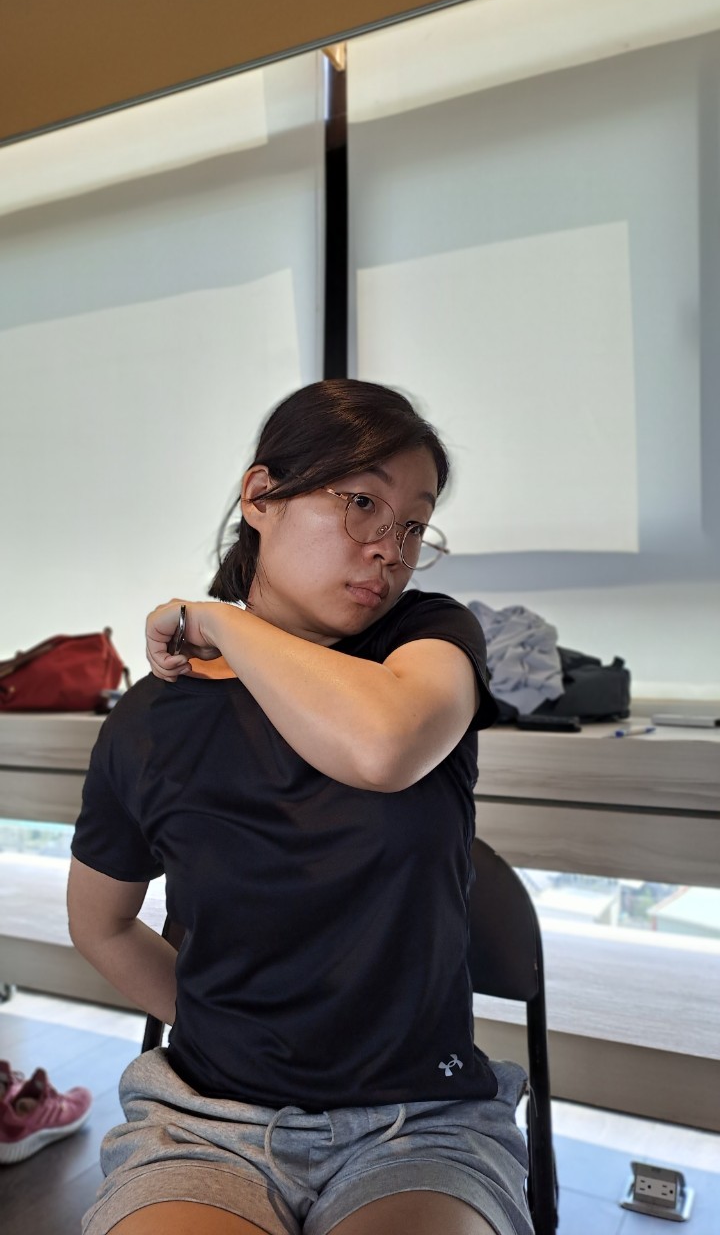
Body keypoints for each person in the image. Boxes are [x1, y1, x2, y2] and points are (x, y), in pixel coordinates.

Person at [67, 379, 532, 1235]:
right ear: (260, 497)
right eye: (363, 504)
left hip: (420, 1121)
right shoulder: (151, 722)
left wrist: (220, 622)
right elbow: (99, 924)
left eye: (414, 525)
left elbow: (384, 746)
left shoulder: (425, 641)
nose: (390, 549)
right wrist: (228, 1029)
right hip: (210, 1121)